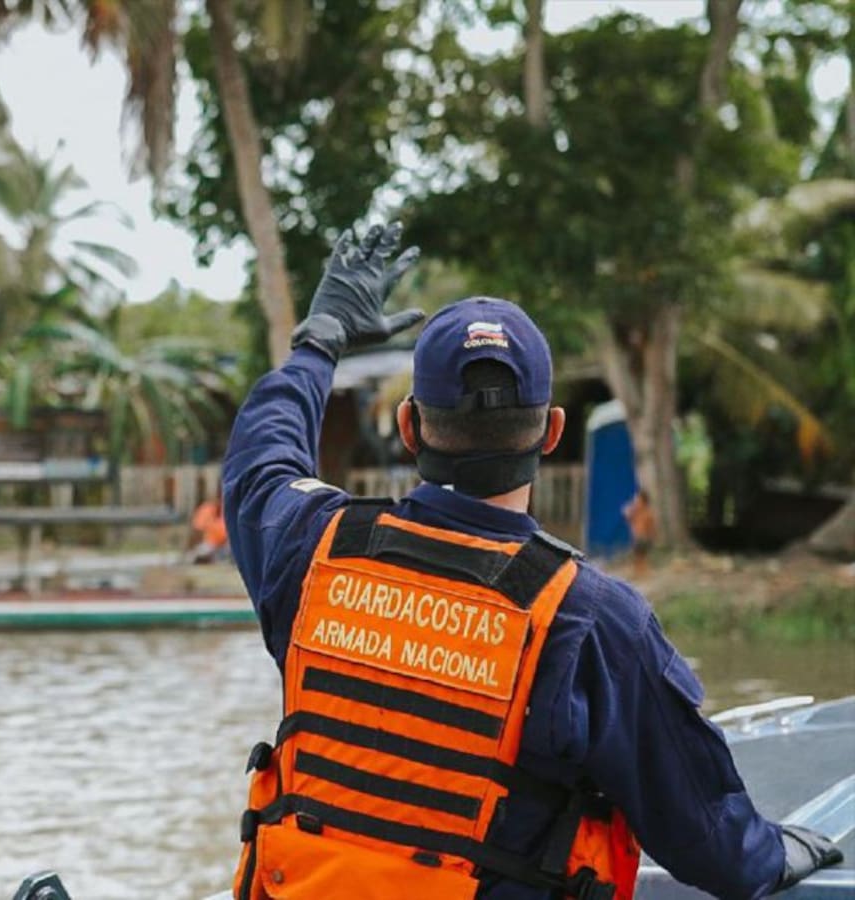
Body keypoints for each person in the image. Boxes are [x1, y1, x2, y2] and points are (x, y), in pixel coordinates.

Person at [221, 221, 841, 899]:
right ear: (551, 432)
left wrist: (320, 341)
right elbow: (709, 840)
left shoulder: (311, 546)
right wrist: (777, 856)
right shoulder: (593, 619)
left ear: (407, 427)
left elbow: (260, 460)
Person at [623, 489, 656, 577]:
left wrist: (651, 537)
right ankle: (640, 572)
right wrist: (628, 511)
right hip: (637, 537)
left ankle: (643, 572)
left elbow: (651, 527)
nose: (636, 501)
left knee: (640, 555)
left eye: (638, 499)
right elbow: (628, 518)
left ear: (643, 501)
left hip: (643, 538)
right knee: (638, 556)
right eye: (635, 499)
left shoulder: (647, 512)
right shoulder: (636, 511)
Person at [187, 494, 229, 564]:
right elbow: (197, 530)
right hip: (210, 544)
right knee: (203, 551)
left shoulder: (227, 510)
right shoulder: (207, 509)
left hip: (224, 546)